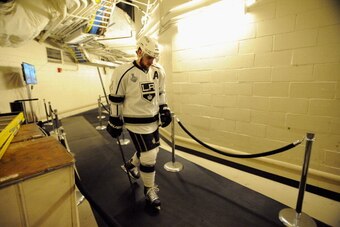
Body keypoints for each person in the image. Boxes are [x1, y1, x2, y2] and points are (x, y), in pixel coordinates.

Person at [106, 36, 172, 210]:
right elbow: (116, 99)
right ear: (139, 52)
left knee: (152, 149)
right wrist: (114, 120)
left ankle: (129, 166)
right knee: (150, 155)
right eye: (149, 57)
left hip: (152, 120)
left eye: (154, 58)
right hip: (135, 122)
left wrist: (164, 108)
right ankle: (149, 190)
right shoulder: (123, 71)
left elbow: (161, 92)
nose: (151, 61)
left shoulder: (158, 70)